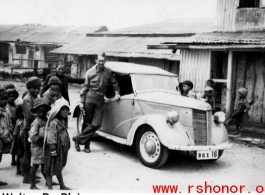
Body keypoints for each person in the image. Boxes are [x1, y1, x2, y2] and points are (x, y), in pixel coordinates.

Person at [73, 52, 120, 153]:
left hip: (100, 99)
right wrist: (82, 102)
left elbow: (114, 83)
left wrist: (117, 93)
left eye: (103, 61)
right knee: (87, 122)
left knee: (97, 123)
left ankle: (78, 139)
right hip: (90, 97)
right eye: (99, 61)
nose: (101, 62)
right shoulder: (89, 72)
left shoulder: (108, 71)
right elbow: (85, 88)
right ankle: (86, 146)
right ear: (96, 61)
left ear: (105, 61)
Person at [43, 98, 71, 190]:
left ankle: (62, 186)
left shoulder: (63, 120)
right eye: (63, 109)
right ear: (57, 110)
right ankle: (50, 188)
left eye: (67, 109)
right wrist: (53, 149)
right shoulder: (54, 122)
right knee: (49, 168)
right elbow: (51, 136)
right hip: (55, 149)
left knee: (58, 166)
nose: (65, 111)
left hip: (61, 148)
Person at [22, 76, 42, 184]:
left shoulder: (35, 97)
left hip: (34, 128)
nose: (37, 90)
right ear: (28, 88)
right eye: (34, 88)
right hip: (28, 129)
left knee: (31, 152)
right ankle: (26, 177)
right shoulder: (27, 99)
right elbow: (29, 115)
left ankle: (30, 174)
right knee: (27, 153)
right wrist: (41, 117)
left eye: (38, 88)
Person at [29, 98, 51, 189]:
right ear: (36, 112)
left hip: (43, 146)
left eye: (44, 111)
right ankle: (32, 185)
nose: (42, 113)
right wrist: (43, 135)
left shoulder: (45, 119)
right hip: (37, 147)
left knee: (43, 165)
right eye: (39, 112)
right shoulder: (36, 122)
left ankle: (48, 181)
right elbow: (33, 137)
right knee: (35, 165)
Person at [0, 88, 13, 186]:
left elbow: (9, 123)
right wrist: (4, 135)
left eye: (5, 99)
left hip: (4, 138)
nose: (4, 101)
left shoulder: (7, 110)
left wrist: (10, 132)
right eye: (1, 99)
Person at [5, 84, 19, 166]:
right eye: (9, 96)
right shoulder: (6, 106)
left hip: (16, 126)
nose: (11, 98)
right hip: (9, 126)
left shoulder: (16, 105)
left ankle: (14, 159)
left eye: (13, 96)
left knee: (15, 143)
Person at [12, 104, 24, 175]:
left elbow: (15, 132)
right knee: (22, 155)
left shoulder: (18, 120)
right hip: (20, 139)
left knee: (18, 155)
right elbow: (21, 133)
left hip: (17, 139)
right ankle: (23, 171)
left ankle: (18, 170)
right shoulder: (22, 121)